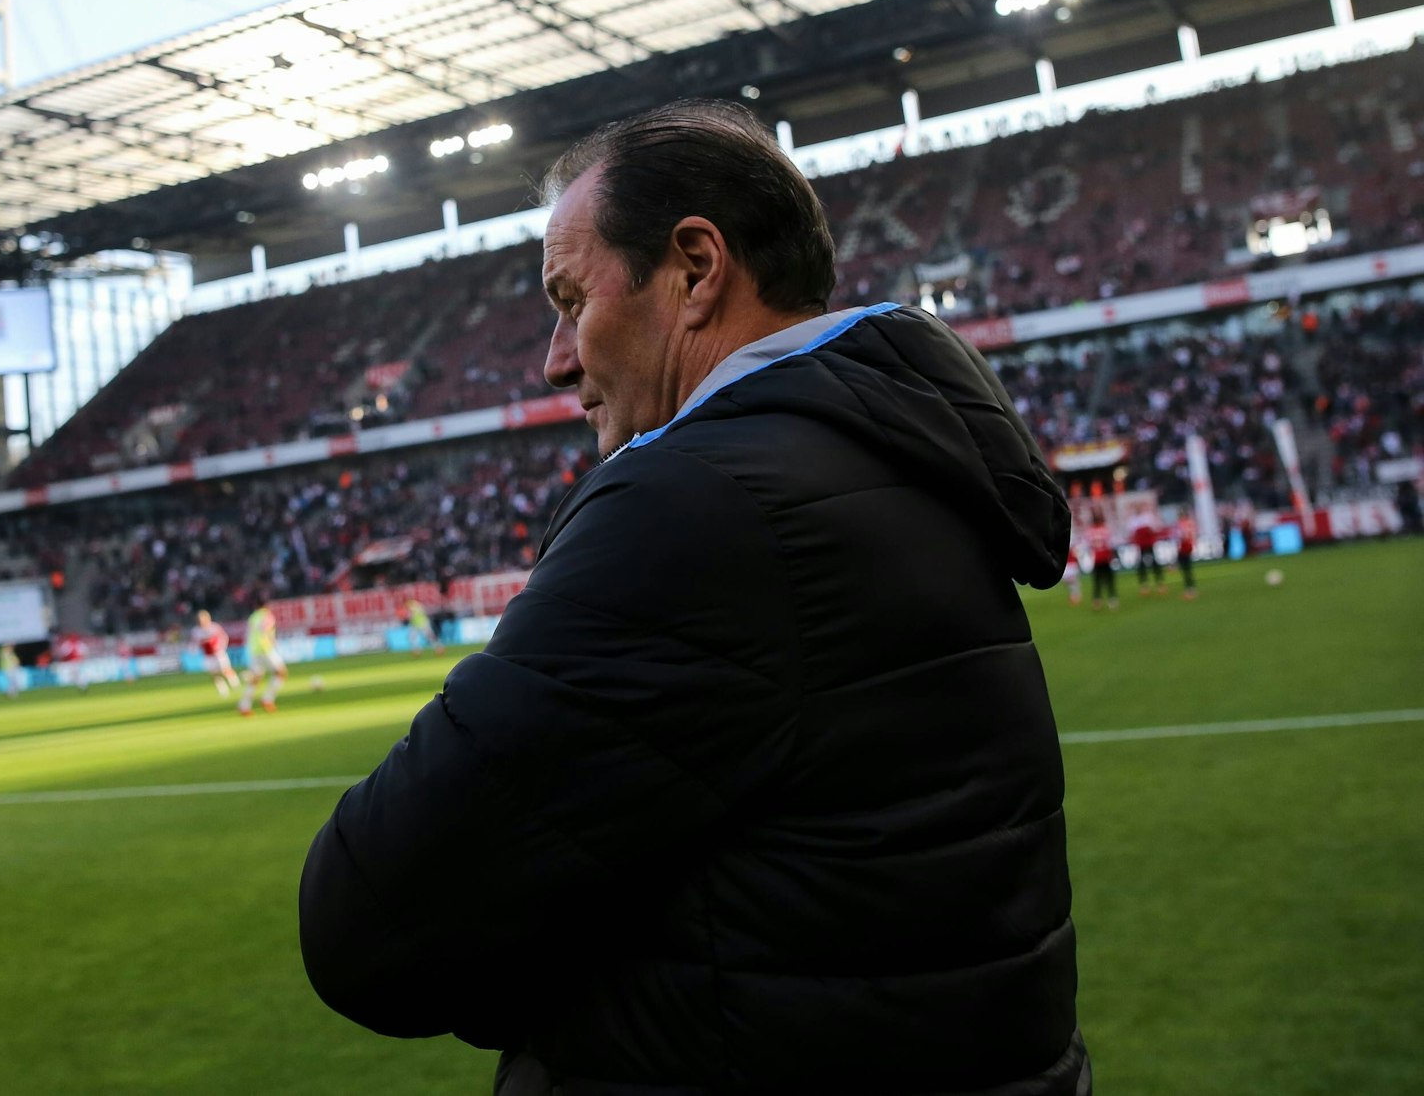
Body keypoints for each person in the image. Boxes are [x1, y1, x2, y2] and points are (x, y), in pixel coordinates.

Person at [299, 100, 1086, 1096]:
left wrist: (536, 988)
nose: (553, 360)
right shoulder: (892, 456)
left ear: (694, 269)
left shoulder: (698, 503)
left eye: (569, 299)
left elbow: (367, 922)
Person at [238, 604, 286, 716]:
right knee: (281, 673)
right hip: (265, 648)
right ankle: (267, 699)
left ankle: (244, 706)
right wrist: (273, 642)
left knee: (255, 679)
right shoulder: (267, 615)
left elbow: (249, 634)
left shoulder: (253, 616)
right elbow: (266, 630)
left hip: (254, 650)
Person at [195, 610, 237, 697]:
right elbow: (196, 642)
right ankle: (223, 690)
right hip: (208, 656)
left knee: (225, 670)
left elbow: (224, 637)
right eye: (199, 620)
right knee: (214, 674)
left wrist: (221, 647)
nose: (201, 621)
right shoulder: (196, 631)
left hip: (218, 653)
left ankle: (235, 684)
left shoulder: (214, 627)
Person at [1129, 511, 1166, 596]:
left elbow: (1153, 530)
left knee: (1153, 563)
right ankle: (1145, 584)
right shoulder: (1135, 520)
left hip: (1148, 544)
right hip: (1142, 545)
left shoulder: (1147, 517)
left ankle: (1159, 583)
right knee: (1142, 564)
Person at [1087, 513, 1119, 610]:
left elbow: (1087, 544)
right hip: (1106, 558)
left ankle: (1097, 601)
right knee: (1109, 580)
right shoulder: (1105, 530)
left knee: (1097, 580)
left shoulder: (1090, 531)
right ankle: (1112, 599)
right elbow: (1112, 543)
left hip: (1097, 559)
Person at [1175, 508, 1200, 600]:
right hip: (1185, 546)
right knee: (1186, 569)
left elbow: (1184, 535)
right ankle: (1189, 588)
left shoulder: (1184, 524)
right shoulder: (1188, 523)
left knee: (1186, 569)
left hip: (1185, 546)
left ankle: (1190, 589)